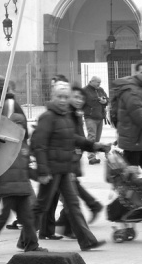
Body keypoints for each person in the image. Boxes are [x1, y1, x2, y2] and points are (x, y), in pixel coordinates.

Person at [31, 80, 109, 250]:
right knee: (41, 207)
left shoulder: (65, 116)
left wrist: (93, 145)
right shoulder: (47, 117)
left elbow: (73, 139)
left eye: (65, 97)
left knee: (73, 205)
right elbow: (39, 145)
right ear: (53, 97)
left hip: (65, 169)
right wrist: (43, 171)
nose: (62, 100)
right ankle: (27, 242)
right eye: (59, 96)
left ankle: (87, 241)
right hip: (51, 170)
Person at [0, 75, 48, 255]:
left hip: (18, 183)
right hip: (8, 183)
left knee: (26, 216)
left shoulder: (7, 107)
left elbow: (25, 166)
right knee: (6, 216)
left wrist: (37, 175)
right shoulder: (10, 146)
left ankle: (31, 245)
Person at [54, 85, 105, 236]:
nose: (78, 100)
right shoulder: (66, 113)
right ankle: (67, 224)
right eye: (75, 97)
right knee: (68, 194)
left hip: (70, 157)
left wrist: (87, 147)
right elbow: (69, 137)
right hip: (64, 158)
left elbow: (76, 136)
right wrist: (89, 145)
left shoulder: (74, 113)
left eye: (81, 98)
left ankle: (65, 226)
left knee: (69, 194)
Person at [83, 76, 109, 165]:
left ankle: (94, 155)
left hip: (100, 117)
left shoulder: (100, 89)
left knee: (97, 139)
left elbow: (107, 99)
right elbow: (88, 101)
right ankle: (91, 157)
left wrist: (105, 101)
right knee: (91, 137)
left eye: (100, 83)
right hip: (90, 117)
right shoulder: (85, 91)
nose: (99, 84)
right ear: (92, 81)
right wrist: (99, 100)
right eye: (98, 82)